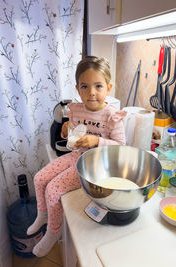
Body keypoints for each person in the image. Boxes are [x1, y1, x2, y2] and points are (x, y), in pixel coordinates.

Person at [27, 56, 127, 257]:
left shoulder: (112, 116)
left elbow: (121, 147)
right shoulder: (76, 109)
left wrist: (96, 141)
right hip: (77, 156)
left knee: (53, 189)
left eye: (98, 86)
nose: (91, 92)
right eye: (85, 86)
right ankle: (42, 215)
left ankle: (52, 233)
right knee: (39, 179)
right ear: (77, 88)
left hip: (96, 166)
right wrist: (66, 130)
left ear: (109, 87)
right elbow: (71, 136)